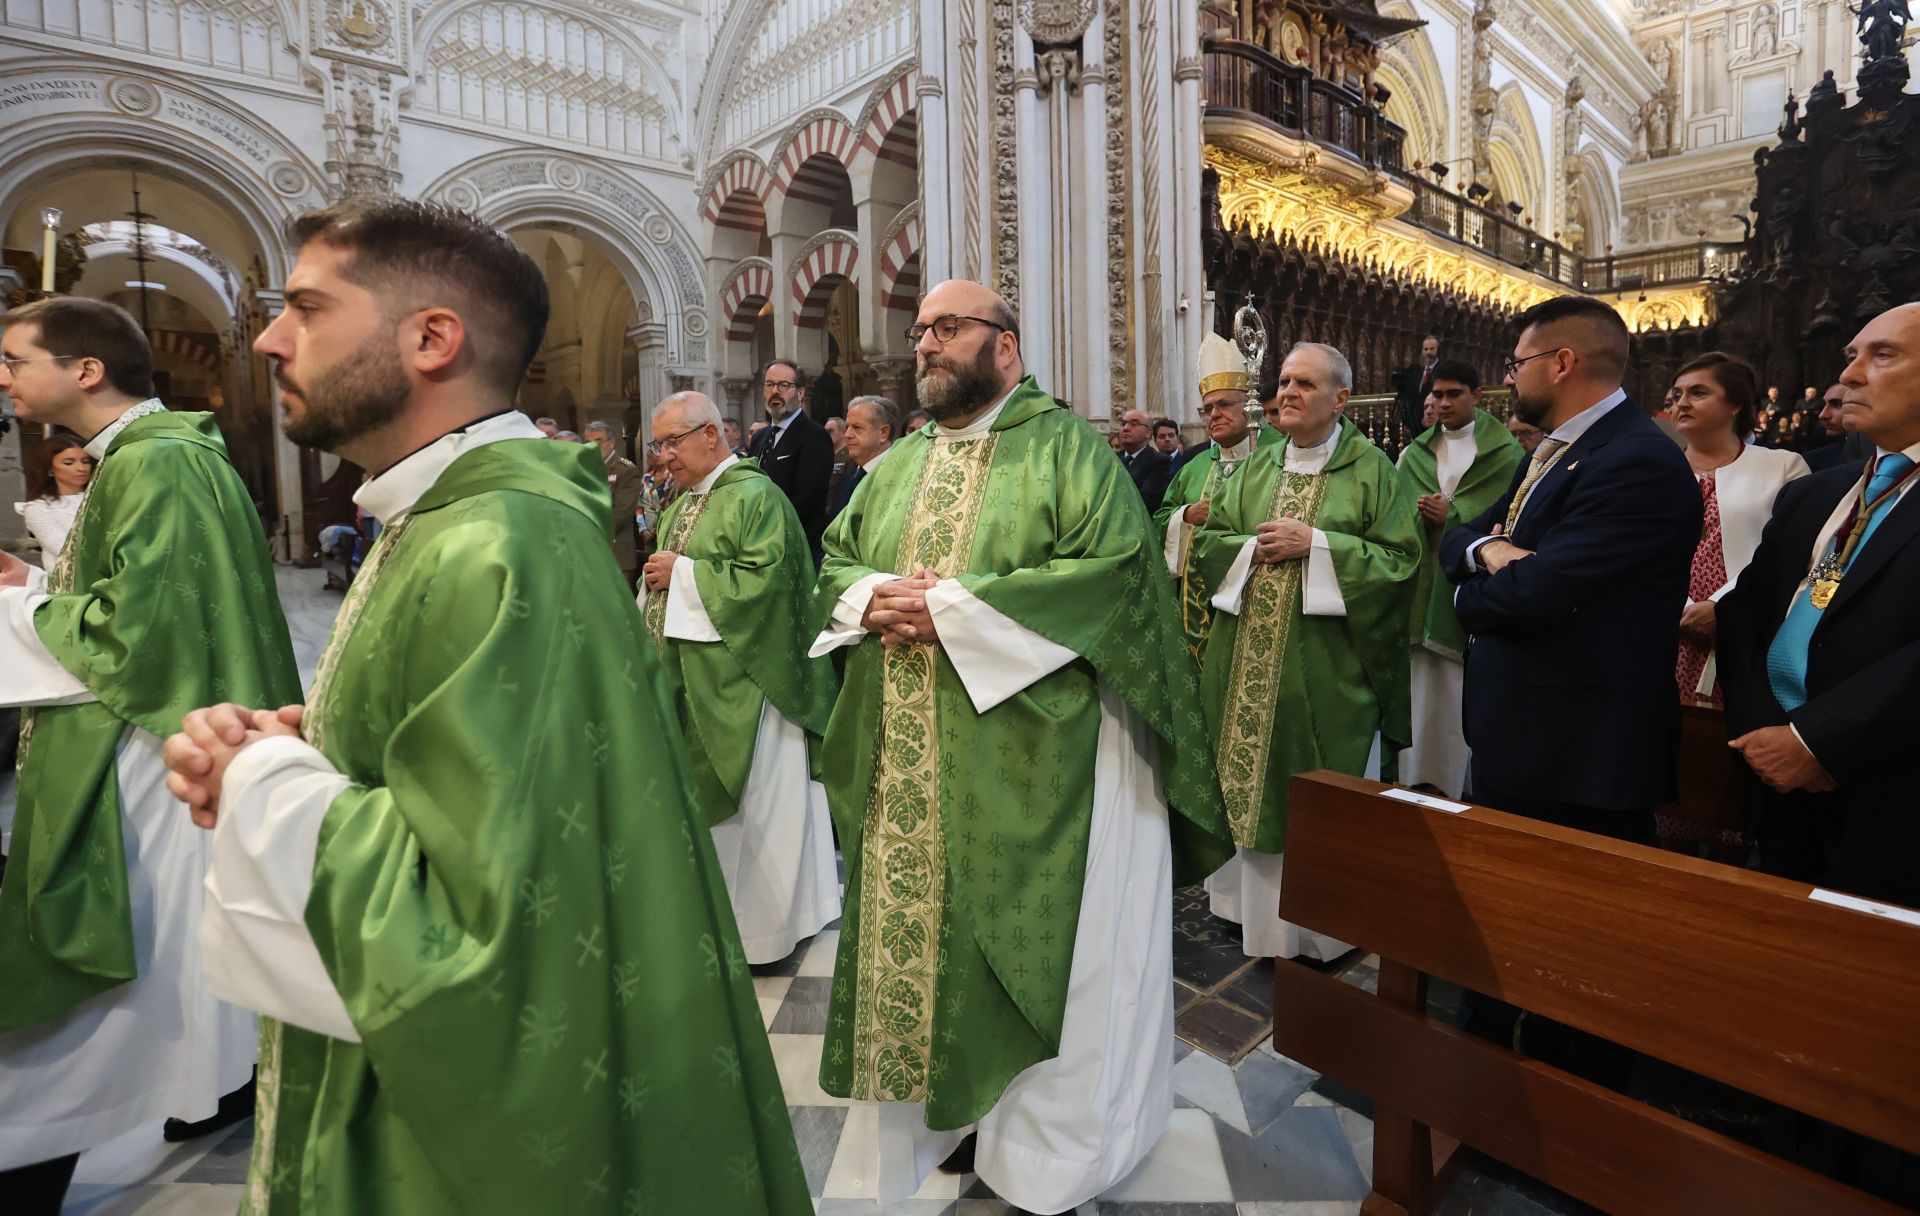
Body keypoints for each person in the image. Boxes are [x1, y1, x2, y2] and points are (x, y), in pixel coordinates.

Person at [160, 198, 809, 1215]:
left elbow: (485, 932)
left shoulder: (497, 543)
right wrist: (301, 752)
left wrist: (262, 782)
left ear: (432, 337)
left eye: (307, 308)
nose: (270, 338)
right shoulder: (447, 516)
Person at [810, 278, 1229, 1214]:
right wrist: (870, 595)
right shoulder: (898, 462)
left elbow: (1114, 579)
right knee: (932, 944)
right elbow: (835, 556)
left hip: (1050, 762)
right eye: (920, 330)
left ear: (1004, 344)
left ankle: (1052, 1156)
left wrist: (951, 610)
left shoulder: (1070, 451)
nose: (926, 345)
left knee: (1055, 952)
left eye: (948, 328)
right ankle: (953, 1116)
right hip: (911, 754)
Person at [0, 297, 299, 1212]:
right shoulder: (144, 455)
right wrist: (46, 582)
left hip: (138, 750)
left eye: (15, 359)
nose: (5, 377)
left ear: (85, 370)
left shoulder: (157, 461)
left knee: (106, 987)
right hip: (145, 737)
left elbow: (141, 633)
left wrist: (18, 608)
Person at [1715, 303, 1920, 1213]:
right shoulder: (1815, 492)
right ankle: (1790, 1152)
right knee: (1793, 984)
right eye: (1849, 355)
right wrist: (1772, 737)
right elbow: (1748, 610)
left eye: (1882, 355)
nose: (1848, 374)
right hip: (1781, 782)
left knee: (1882, 1010)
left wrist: (1819, 740)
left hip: (1894, 792)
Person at [1194, 341, 1421, 960]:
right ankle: (1246, 913)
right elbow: (1211, 541)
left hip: (1326, 671)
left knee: (1313, 787)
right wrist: (1250, 550)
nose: (1287, 392)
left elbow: (1402, 563)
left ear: (1341, 399)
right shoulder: (1258, 466)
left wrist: (1318, 545)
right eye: (1285, 381)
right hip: (1244, 664)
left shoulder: (1374, 471)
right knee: (1245, 781)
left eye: (1305, 384)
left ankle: (1322, 932)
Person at [1442, 294, 1700, 838]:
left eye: (1517, 364)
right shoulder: (1556, 449)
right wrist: (1488, 551)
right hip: (1524, 738)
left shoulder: (1635, 459)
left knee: (1572, 915)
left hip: (1578, 752)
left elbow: (1534, 594)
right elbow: (1459, 536)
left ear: (1561, 363)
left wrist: (1465, 595)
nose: (1508, 379)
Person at [639, 391, 841, 964]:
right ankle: (713, 927)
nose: (664, 457)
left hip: (751, 686)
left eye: (672, 442)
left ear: (710, 434)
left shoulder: (758, 498)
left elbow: (769, 588)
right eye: (658, 445)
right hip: (687, 681)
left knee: (757, 812)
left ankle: (763, 936)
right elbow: (660, 587)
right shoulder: (681, 506)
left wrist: (684, 574)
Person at [1395, 359, 1525, 799]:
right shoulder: (1415, 454)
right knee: (1418, 687)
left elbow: (1510, 522)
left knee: (1458, 692)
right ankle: (1413, 779)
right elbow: (1395, 517)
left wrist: (1454, 517)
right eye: (1436, 395)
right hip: (1420, 584)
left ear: (1477, 396)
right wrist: (1421, 519)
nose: (1442, 403)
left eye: (1454, 394)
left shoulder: (1504, 454)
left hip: (1466, 591)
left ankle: (1460, 788)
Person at [1667, 354, 1808, 703]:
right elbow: (1634, 546)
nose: (1682, 403)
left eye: (1698, 392)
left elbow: (1793, 551)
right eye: (1676, 394)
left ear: (1735, 404)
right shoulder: (1653, 470)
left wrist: (1722, 605)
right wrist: (1678, 605)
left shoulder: (1783, 466)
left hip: (1747, 621)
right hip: (1662, 622)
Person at [1153, 332, 1279, 662]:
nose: (1213, 415)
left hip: (1263, 603)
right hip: (1197, 610)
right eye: (1207, 408)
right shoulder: (1193, 469)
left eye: (1224, 404)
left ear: (1250, 406)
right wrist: (1185, 516)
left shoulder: (1281, 457)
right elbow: (1159, 520)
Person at [747, 359, 834, 560]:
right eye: (769, 384)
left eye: (784, 385)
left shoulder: (814, 436)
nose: (775, 391)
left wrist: (763, 529)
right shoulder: (760, 437)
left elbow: (806, 501)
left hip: (795, 548)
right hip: (758, 547)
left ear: (801, 393)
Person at [12, 432, 93, 564]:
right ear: (50, 468)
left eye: (85, 461)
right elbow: (65, 549)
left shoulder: (102, 496)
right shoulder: (39, 508)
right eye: (68, 463)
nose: (81, 468)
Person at [585, 420, 643, 588]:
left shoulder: (624, 470)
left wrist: (590, 529)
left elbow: (622, 513)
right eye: (588, 443)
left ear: (611, 442)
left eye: (598, 441)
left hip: (616, 553)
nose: (592, 447)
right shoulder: (587, 470)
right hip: (593, 552)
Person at [828, 393, 898, 519]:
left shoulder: (901, 479)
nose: (847, 435)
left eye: (857, 427)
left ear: (883, 433)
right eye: (847, 427)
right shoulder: (845, 481)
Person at [1113, 407, 1174, 512]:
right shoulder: (1113, 459)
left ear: (1148, 433)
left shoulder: (1159, 461)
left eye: (1133, 424)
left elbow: (1145, 500)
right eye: (1123, 424)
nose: (1126, 428)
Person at [1391, 333, 1441, 439]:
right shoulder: (1417, 372)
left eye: (1432, 349)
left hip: (1434, 420)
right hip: (1417, 423)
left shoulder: (1442, 370)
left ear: (1438, 350)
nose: (1428, 352)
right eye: (1426, 349)